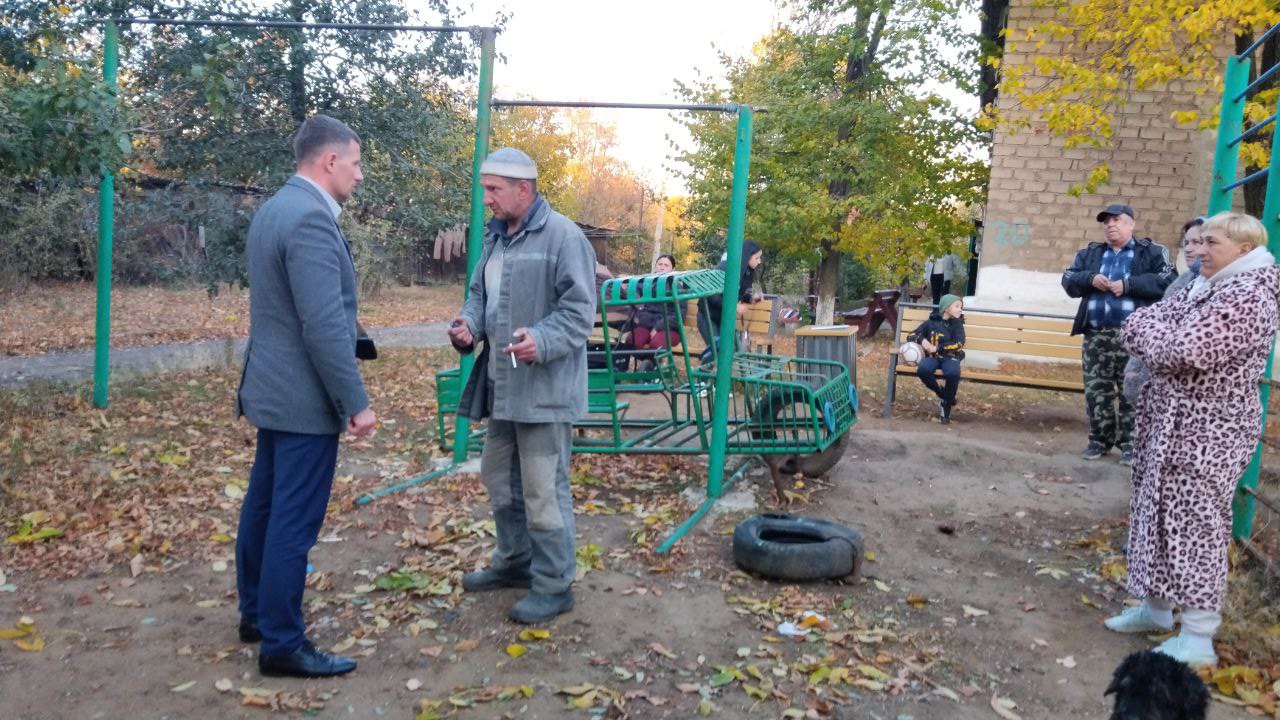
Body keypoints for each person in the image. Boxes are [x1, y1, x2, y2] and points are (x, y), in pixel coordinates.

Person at [234, 115, 377, 678]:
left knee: (264, 507)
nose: (360, 175)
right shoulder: (312, 220)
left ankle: (257, 615)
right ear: (330, 161)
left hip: (268, 386)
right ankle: (283, 644)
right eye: (357, 163)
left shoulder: (273, 209)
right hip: (301, 398)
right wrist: (355, 401)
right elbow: (322, 325)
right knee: (292, 519)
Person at [1106, 212, 1279, 668]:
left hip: (1209, 430)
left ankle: (1198, 638)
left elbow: (1186, 351)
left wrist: (1160, 338)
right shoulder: (1207, 286)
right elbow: (1138, 324)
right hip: (1168, 423)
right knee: (1157, 513)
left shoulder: (1249, 295)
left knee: (1196, 525)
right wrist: (1160, 337)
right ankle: (1157, 610)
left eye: (1211, 242)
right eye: (1198, 241)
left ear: (1244, 249)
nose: (1198, 250)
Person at [447, 147, 596, 624]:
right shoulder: (495, 239)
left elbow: (579, 313)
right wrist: (467, 326)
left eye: (493, 189)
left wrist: (543, 338)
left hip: (544, 393)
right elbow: (478, 296)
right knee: (500, 482)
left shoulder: (564, 237)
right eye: (485, 188)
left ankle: (554, 585)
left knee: (542, 490)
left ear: (523, 190)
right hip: (501, 388)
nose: (486, 198)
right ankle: (514, 563)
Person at [1061, 203, 1176, 464]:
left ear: (1131, 224)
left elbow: (1168, 280)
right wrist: (1090, 278)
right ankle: (1099, 441)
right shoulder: (1090, 253)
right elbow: (1068, 280)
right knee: (1096, 391)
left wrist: (1128, 285)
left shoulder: (1153, 252)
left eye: (1117, 220)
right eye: (1106, 221)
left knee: (1132, 390)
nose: (1110, 225)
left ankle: (1131, 445)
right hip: (1096, 335)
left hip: (1134, 338)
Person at [1121, 217, 1206, 406]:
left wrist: (1128, 285)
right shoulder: (1183, 283)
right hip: (1159, 387)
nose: (1190, 249)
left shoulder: (1222, 289)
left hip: (1189, 397)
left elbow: (1183, 345)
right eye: (1187, 242)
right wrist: (1135, 370)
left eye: (1198, 242)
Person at [697, 240, 764, 363]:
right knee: (718, 349)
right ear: (747, 255)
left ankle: (714, 380)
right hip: (708, 316)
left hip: (723, 318)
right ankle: (703, 377)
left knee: (732, 349)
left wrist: (750, 299)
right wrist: (734, 307)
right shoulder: (725, 268)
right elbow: (711, 294)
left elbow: (737, 294)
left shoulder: (746, 272)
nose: (759, 261)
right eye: (757, 257)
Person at [909, 294, 965, 424]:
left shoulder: (957, 325)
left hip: (950, 357)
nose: (960, 309)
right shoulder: (930, 323)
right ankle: (944, 395)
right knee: (923, 369)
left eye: (961, 307)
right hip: (932, 358)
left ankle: (946, 407)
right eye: (957, 306)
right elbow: (912, 334)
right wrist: (922, 341)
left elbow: (959, 343)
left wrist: (937, 348)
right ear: (946, 308)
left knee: (952, 373)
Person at [631, 254, 680, 353]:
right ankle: (647, 366)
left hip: (668, 327)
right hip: (646, 324)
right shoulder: (646, 284)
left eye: (666, 265)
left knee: (656, 345)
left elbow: (679, 315)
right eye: (660, 264)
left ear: (673, 269)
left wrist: (658, 327)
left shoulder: (677, 287)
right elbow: (634, 295)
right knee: (632, 341)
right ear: (656, 267)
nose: (662, 267)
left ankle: (652, 366)